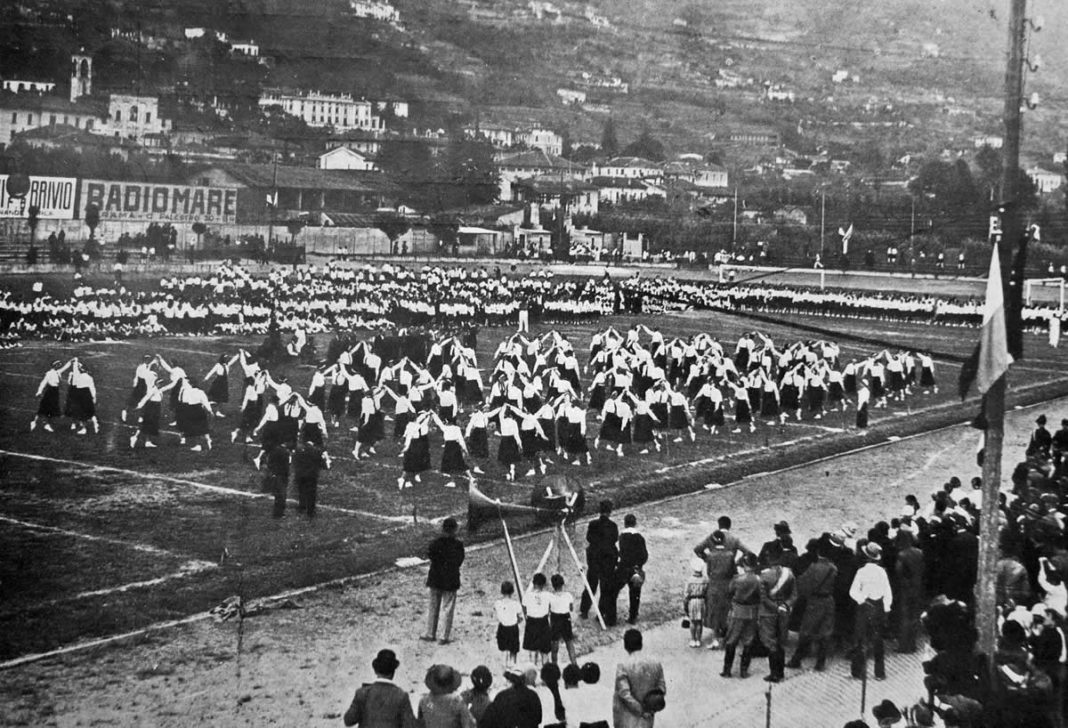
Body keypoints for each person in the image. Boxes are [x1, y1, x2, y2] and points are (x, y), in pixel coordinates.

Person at [788, 538, 838, 671]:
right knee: (825, 631)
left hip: (815, 601)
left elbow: (803, 584)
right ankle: (820, 662)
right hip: (829, 600)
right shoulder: (833, 567)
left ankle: (796, 659)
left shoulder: (814, 567)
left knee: (806, 630)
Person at [850, 541, 892, 680]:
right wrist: (886, 608)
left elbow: (853, 591)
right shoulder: (882, 572)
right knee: (878, 640)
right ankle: (879, 673)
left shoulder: (861, 572)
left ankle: (858, 672)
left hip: (864, 607)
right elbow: (887, 592)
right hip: (879, 606)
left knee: (861, 639)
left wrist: (862, 600)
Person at [343, 648, 417, 728]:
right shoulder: (401, 696)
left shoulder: (362, 693)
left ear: (375, 670)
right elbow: (410, 726)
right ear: (393, 672)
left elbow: (348, 720)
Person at [422, 517, 465, 645]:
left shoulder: (435, 543)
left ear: (443, 529)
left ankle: (430, 633)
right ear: (454, 530)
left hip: (435, 578)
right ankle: (444, 636)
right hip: (450, 580)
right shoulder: (458, 545)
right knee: (448, 608)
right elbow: (459, 561)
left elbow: (431, 556)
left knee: (433, 606)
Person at [612, 629, 666, 728]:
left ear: (625, 646)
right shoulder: (655, 662)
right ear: (641, 643)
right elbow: (661, 687)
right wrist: (651, 708)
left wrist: (640, 710)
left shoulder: (623, 666)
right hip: (647, 718)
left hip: (628, 719)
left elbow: (624, 693)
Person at [758, 550, 796, 683]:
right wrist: (786, 605)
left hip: (769, 612)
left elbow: (763, 598)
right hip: (784, 611)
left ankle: (774, 673)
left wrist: (776, 607)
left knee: (771, 643)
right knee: (781, 641)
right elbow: (794, 595)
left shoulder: (765, 576)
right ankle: (780, 672)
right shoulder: (789, 574)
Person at [722, 553, 761, 679]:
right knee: (748, 641)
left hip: (738, 611)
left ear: (744, 565)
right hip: (752, 612)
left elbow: (729, 591)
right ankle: (744, 671)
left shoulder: (737, 579)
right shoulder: (759, 580)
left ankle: (727, 670)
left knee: (731, 640)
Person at [581, 500, 620, 625]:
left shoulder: (593, 524)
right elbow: (614, 539)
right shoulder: (613, 526)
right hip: (607, 559)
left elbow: (589, 538)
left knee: (591, 584)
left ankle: (584, 610)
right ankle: (601, 612)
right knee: (605, 587)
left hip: (594, 558)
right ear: (610, 511)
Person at [617, 514, 649, 625]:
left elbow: (621, 553)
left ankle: (609, 613)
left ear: (625, 523)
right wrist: (639, 565)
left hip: (624, 567)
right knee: (635, 593)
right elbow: (644, 555)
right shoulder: (640, 537)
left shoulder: (622, 537)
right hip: (636, 569)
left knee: (614, 589)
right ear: (635, 523)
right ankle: (633, 616)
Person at [291, 439, 330, 518]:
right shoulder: (316, 451)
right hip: (311, 476)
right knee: (311, 494)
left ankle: (301, 507)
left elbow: (294, 461)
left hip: (300, 475)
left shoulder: (298, 451)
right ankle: (310, 511)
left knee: (301, 491)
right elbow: (323, 465)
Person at [30, 359, 71, 432]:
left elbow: (65, 367)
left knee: (51, 409)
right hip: (49, 392)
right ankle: (34, 422)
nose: (59, 366)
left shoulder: (58, 372)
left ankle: (47, 424)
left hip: (55, 392)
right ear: (54, 365)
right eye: (58, 364)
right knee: (43, 408)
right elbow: (43, 383)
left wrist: (71, 361)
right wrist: (39, 391)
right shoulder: (49, 373)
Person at [522, 572, 552, 666]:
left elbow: (524, 609)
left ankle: (532, 673)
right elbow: (550, 608)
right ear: (543, 585)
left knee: (532, 651)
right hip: (543, 623)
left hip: (531, 623)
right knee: (545, 652)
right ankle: (546, 673)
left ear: (533, 583)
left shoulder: (527, 596)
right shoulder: (548, 595)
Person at [549, 573, 577, 666]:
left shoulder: (551, 597)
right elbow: (571, 608)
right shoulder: (568, 595)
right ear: (563, 584)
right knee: (569, 642)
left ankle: (554, 665)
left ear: (553, 586)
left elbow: (549, 609)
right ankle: (574, 664)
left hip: (555, 619)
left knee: (554, 643)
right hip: (565, 618)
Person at [494, 581, 522, 667]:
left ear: (501, 591)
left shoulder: (497, 603)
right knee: (513, 651)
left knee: (503, 650)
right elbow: (520, 617)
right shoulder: (516, 604)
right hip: (513, 629)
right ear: (512, 592)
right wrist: (517, 620)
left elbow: (497, 614)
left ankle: (505, 668)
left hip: (502, 628)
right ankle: (513, 666)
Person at [684, 561, 708, 648]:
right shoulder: (705, 580)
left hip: (692, 601)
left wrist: (685, 604)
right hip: (701, 601)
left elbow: (686, 594)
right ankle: (698, 639)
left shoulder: (690, 580)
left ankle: (693, 639)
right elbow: (706, 592)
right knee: (699, 622)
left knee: (693, 622)